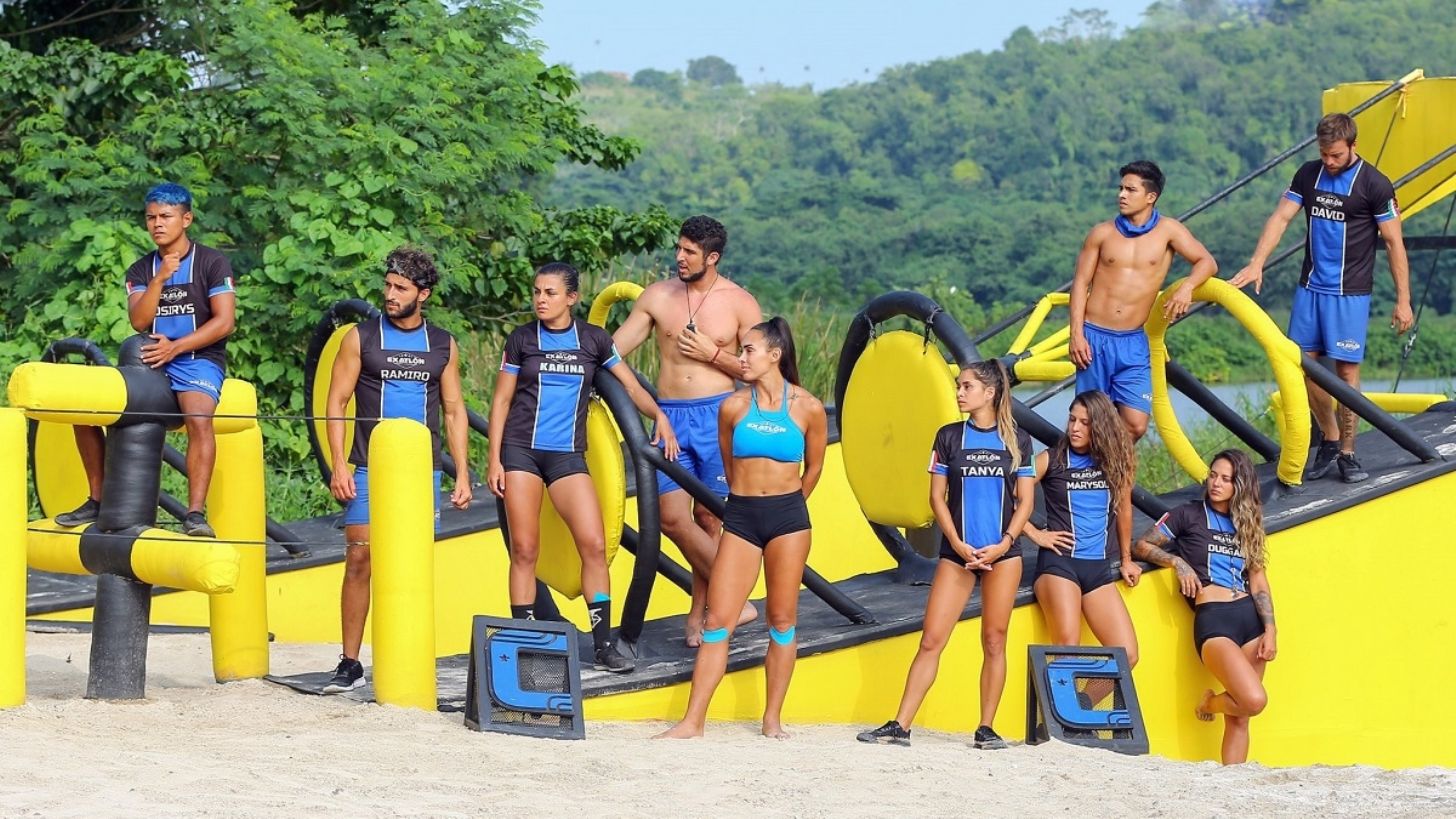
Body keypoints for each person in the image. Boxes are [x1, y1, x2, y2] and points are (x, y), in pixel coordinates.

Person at [487, 263, 680, 673]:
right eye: (537, 292)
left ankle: (603, 645)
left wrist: (659, 416)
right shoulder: (522, 339)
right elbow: (501, 401)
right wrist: (494, 460)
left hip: (567, 456)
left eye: (550, 293)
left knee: (593, 546)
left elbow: (629, 385)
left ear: (571, 298)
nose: (540, 299)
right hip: (521, 452)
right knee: (525, 550)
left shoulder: (593, 340)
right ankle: (527, 641)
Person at [656, 317, 828, 739]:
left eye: (749, 350)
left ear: (775, 355)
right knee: (718, 621)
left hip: (788, 520)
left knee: (782, 621)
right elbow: (732, 469)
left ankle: (772, 720)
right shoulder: (732, 407)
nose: (741, 357)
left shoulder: (808, 407)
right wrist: (749, 501)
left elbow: (815, 467)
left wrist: (790, 504)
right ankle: (692, 722)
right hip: (743, 516)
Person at [856, 361, 1035, 750]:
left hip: (1004, 554)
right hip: (957, 553)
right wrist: (956, 541)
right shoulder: (949, 436)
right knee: (931, 639)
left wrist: (1004, 543)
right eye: (958, 386)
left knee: (994, 640)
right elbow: (937, 497)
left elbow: (1025, 502)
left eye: (967, 387)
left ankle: (986, 728)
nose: (959, 393)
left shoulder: (1018, 441)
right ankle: (900, 725)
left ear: (990, 393)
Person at [320, 247, 472, 693]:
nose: (390, 294)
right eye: (387, 285)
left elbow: (454, 410)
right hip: (368, 467)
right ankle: (350, 662)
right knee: (359, 558)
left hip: (422, 473)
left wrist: (463, 473)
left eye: (400, 288)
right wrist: (338, 464)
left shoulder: (442, 344)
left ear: (422, 294)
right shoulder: (360, 338)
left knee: (410, 565)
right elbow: (336, 402)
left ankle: (407, 657)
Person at [1230, 113, 1413, 484]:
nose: (1329, 161)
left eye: (1336, 155)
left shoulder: (1375, 184)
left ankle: (1348, 452)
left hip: (1349, 293)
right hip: (1310, 288)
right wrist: (1257, 262)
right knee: (1303, 365)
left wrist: (1403, 300)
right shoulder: (1308, 174)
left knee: (1346, 372)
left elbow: (1394, 242)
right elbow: (1281, 218)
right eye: (1324, 154)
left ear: (1353, 146)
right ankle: (1330, 437)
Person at [55, 182, 237, 537]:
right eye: (151, 217)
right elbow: (139, 321)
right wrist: (160, 279)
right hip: (151, 363)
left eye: (166, 216)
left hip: (197, 359)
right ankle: (97, 498)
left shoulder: (212, 262)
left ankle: (195, 514)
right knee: (83, 408)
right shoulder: (141, 269)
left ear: (186, 219)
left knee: (199, 417)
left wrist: (176, 347)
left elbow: (224, 322)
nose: (157, 224)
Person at [613, 215, 763, 645]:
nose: (679, 257)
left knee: (709, 520)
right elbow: (612, 352)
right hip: (670, 419)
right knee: (673, 518)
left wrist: (713, 353)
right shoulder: (657, 297)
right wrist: (637, 401)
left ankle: (700, 616)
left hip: (720, 416)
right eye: (678, 248)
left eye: (689, 252)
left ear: (712, 257)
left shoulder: (740, 303)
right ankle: (735, 597)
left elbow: (758, 370)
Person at [1133, 449, 1276, 765]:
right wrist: (1177, 562)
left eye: (1226, 479)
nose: (1216, 483)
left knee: (1240, 718)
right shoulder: (1188, 514)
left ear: (1239, 485)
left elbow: (1258, 581)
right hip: (1214, 620)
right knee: (1253, 700)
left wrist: (1270, 629)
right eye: (1213, 475)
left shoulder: (1248, 523)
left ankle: (1233, 783)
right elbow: (1141, 545)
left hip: (1251, 620)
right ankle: (1209, 703)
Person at [1070, 160, 1219, 440]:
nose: (1121, 195)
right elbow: (1080, 283)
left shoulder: (1169, 231)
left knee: (1136, 424)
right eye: (1121, 188)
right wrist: (1076, 335)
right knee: (1089, 421)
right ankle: (1090, 468)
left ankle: (1111, 463)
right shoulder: (1101, 233)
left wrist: (1187, 287)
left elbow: (1207, 262)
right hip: (1094, 338)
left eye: (1130, 190)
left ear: (1151, 196)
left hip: (1133, 340)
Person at [1023, 390, 1140, 691]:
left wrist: (1126, 559)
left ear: (1100, 426)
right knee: (1067, 649)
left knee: (1127, 655)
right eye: (1072, 419)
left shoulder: (1117, 461)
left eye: (1085, 423)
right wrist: (1035, 533)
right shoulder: (1051, 458)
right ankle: (1062, 718)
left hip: (1097, 569)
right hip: (1059, 565)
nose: (1075, 428)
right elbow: (1008, 492)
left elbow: (1125, 510)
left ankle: (1083, 707)